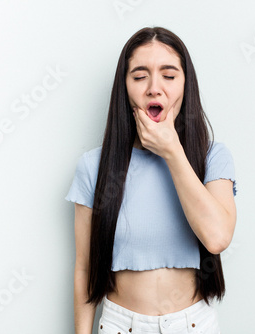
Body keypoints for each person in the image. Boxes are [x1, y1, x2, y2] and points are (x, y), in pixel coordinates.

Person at [65, 26, 237, 334]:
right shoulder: (94, 166)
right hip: (120, 325)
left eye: (169, 76)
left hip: (194, 325)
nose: (154, 88)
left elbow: (217, 237)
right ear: (125, 87)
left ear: (186, 85)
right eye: (140, 76)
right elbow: (84, 268)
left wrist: (172, 152)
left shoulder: (213, 157)